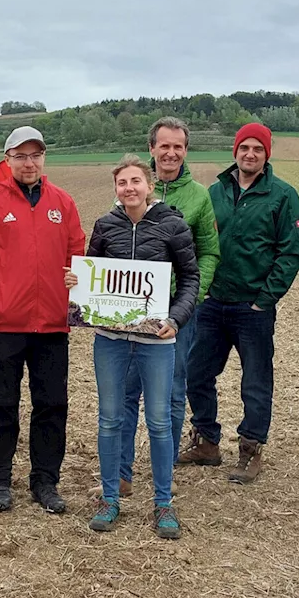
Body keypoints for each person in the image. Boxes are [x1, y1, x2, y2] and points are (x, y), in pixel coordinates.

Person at [69, 155, 198, 538]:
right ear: (116, 189)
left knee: (159, 421)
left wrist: (175, 319)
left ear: (149, 185)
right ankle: (110, 498)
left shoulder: (172, 224)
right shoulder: (106, 225)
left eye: (135, 181)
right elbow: (92, 274)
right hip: (110, 341)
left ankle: (163, 504)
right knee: (110, 418)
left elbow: (191, 276)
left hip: (155, 340)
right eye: (122, 182)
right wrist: (76, 283)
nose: (129, 188)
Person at [94, 118, 219, 498]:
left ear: (185, 150)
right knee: (124, 397)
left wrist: (183, 309)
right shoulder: (114, 215)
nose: (171, 152)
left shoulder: (198, 196)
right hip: (123, 324)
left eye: (178, 146)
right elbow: (102, 267)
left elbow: (206, 255)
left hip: (172, 318)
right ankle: (122, 474)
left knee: (170, 398)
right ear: (152, 150)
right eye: (164, 146)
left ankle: (165, 478)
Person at [0, 126, 85, 514]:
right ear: (7, 159)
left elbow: (76, 252)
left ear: (44, 159)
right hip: (5, 323)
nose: (29, 162)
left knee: (51, 404)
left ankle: (45, 481)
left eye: (35, 155)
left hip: (52, 324)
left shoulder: (62, 203)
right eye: (20, 156)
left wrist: (72, 288)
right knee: (1, 403)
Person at [178, 123, 299, 483]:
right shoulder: (213, 192)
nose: (250, 154)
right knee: (197, 373)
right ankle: (206, 442)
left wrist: (265, 299)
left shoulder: (282, 195)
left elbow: (290, 252)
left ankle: (250, 449)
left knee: (256, 381)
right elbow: (198, 243)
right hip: (213, 304)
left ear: (267, 154)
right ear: (235, 151)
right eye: (244, 148)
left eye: (257, 149)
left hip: (253, 309)